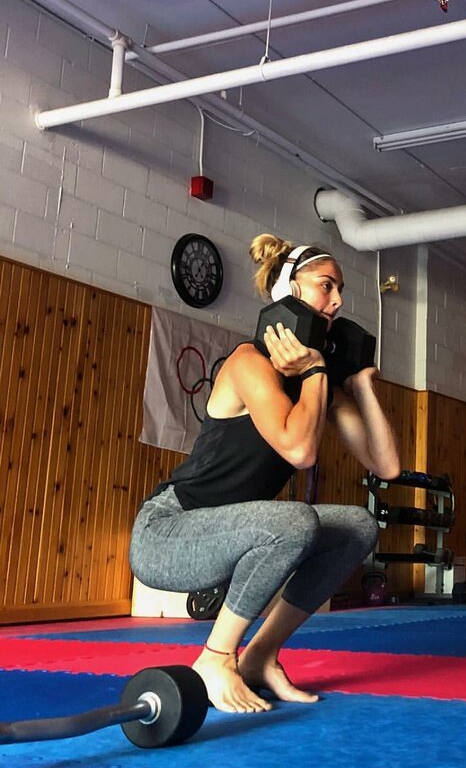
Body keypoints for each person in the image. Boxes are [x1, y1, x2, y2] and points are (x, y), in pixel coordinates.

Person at [130, 235, 400, 714]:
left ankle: (259, 657)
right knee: (295, 521)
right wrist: (316, 372)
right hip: (166, 534)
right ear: (288, 292)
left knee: (358, 525)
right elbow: (300, 450)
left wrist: (359, 384)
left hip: (234, 533)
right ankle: (216, 659)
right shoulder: (248, 362)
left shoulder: (317, 382)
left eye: (340, 290)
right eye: (326, 286)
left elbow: (387, 466)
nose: (338, 301)